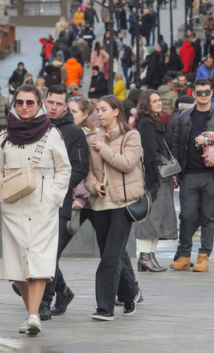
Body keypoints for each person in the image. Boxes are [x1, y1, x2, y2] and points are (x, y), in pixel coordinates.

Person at [0, 84, 71, 335]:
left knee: (38, 261)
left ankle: (33, 315)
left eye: (30, 102)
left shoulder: (52, 133)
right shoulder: (4, 135)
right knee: (18, 267)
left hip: (43, 206)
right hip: (13, 206)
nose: (25, 107)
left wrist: (54, 197)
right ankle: (31, 314)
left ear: (39, 105)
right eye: (20, 102)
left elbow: (64, 168)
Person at [33, 86, 90, 320]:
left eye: (59, 104)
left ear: (66, 106)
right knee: (37, 252)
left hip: (58, 202)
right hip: (33, 201)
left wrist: (56, 187)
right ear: (44, 101)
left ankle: (44, 302)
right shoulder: (34, 126)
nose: (54, 107)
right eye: (51, 102)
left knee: (48, 254)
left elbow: (80, 168)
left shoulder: (74, 132)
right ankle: (62, 290)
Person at [84, 96, 142, 320]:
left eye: (104, 109)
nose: (99, 113)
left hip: (123, 204)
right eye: (97, 110)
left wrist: (105, 149)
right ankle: (130, 295)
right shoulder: (94, 139)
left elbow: (127, 164)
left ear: (116, 111)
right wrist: (94, 185)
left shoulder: (132, 135)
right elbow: (89, 173)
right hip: (100, 205)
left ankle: (105, 308)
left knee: (109, 257)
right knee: (113, 255)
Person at [170, 79, 214, 272]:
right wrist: (175, 171)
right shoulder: (184, 117)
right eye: (199, 93)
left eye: (207, 92)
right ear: (193, 94)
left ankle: (204, 256)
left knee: (208, 216)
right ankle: (184, 255)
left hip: (212, 175)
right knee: (187, 215)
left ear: (212, 93)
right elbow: (176, 145)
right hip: (188, 173)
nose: (203, 96)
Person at [134, 91, 178, 272]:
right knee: (150, 218)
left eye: (160, 100)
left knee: (157, 217)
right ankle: (145, 257)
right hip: (152, 179)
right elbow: (148, 153)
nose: (159, 103)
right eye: (155, 101)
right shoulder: (146, 124)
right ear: (146, 105)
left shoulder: (156, 124)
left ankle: (150, 256)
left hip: (161, 178)